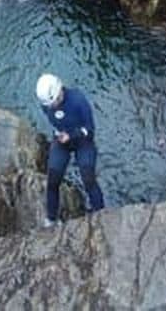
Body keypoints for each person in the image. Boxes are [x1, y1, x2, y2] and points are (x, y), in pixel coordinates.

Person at [36, 73, 105, 227]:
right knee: (53, 178)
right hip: (62, 140)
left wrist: (72, 135)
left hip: (82, 142)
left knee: (88, 178)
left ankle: (101, 214)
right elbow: (55, 122)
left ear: (59, 90)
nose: (52, 106)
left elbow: (90, 129)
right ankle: (51, 219)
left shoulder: (78, 100)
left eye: (54, 102)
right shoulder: (46, 105)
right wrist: (59, 135)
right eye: (50, 104)